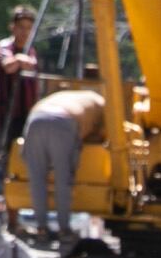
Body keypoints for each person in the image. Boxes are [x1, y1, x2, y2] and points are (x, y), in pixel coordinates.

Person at [19, 86, 108, 244]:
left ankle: (41, 229)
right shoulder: (100, 102)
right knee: (63, 180)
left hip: (35, 120)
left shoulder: (65, 95)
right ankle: (64, 229)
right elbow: (105, 135)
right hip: (63, 122)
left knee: (37, 180)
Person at [0, 7, 43, 151]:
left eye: (29, 28)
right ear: (13, 27)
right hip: (8, 111)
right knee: (9, 150)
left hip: (28, 111)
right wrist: (19, 59)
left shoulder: (31, 50)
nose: (25, 32)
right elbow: (9, 66)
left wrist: (20, 60)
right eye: (21, 27)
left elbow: (31, 65)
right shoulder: (5, 46)